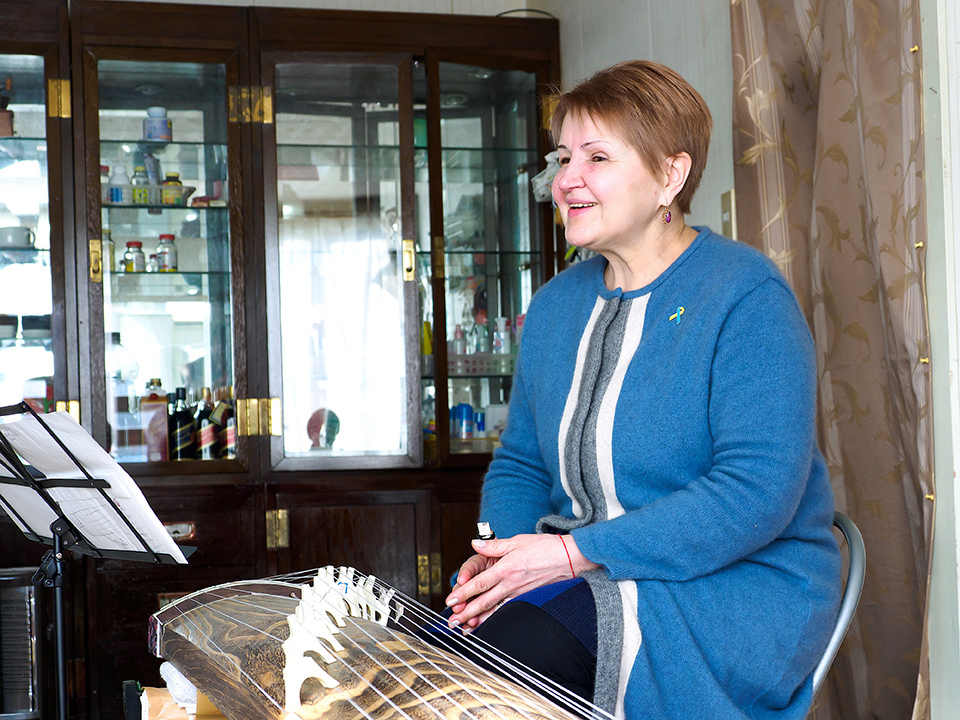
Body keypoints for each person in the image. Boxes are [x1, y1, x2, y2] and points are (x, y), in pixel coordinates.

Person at [444, 60, 842, 720]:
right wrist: (505, 562)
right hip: (584, 573)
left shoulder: (746, 296)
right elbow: (521, 464)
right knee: (448, 652)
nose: (565, 180)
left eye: (596, 157)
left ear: (670, 176)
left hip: (730, 591)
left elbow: (756, 493)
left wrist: (571, 554)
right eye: (563, 157)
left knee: (498, 668)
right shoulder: (556, 307)